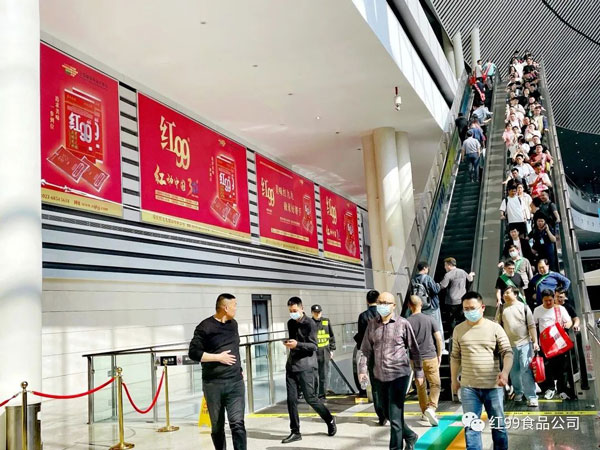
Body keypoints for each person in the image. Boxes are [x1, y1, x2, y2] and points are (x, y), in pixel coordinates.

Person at [359, 292, 424, 450]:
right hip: (379, 376)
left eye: (386, 303)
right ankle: (410, 435)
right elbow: (365, 350)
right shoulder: (372, 324)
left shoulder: (403, 324)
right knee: (386, 412)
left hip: (399, 376)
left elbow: (414, 350)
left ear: (394, 306)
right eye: (380, 302)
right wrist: (362, 370)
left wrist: (419, 372)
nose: (382, 305)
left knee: (395, 417)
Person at [451, 291, 513, 450]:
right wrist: (454, 380)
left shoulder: (495, 328)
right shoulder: (458, 330)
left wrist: (505, 372)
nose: (469, 311)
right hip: (468, 388)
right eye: (466, 309)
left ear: (482, 307)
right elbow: (455, 357)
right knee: (471, 428)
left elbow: (507, 352)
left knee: (498, 427)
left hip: (493, 386)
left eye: (472, 308)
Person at [188, 293, 247, 450]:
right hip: (213, 385)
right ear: (226, 308)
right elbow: (193, 353)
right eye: (234, 305)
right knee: (217, 426)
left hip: (235, 383)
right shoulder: (205, 327)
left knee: (238, 424)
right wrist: (218, 357)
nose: (236, 308)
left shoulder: (233, 324)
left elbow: (235, 349)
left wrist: (239, 369)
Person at [282, 297, 336, 444]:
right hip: (292, 366)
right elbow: (294, 341)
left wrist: (297, 344)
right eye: (290, 311)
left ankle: (329, 419)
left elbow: (313, 346)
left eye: (295, 310)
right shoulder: (290, 323)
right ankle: (295, 431)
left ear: (302, 308)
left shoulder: (310, 324)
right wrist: (290, 343)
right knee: (291, 400)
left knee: (311, 398)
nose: (292, 313)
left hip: (306, 366)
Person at [495, 286, 539, 407]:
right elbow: (497, 326)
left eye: (507, 293)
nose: (504, 295)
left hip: (525, 343)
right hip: (509, 346)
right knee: (513, 371)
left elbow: (531, 326)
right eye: (504, 293)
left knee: (526, 369)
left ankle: (531, 396)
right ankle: (519, 392)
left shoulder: (523, 307)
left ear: (515, 294)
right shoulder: (501, 308)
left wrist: (535, 342)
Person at [407, 295, 443, 427]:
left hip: (415, 360)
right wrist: (439, 354)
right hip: (430, 356)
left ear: (409, 306)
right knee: (435, 384)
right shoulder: (430, 319)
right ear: (421, 304)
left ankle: (424, 413)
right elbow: (438, 338)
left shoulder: (406, 322)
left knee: (420, 386)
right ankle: (431, 408)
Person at [533, 289, 573, 400]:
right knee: (547, 367)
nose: (548, 303)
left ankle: (562, 389)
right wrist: (535, 341)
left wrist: (567, 326)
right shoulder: (537, 310)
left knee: (562, 368)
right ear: (542, 300)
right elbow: (533, 326)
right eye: (546, 301)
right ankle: (550, 388)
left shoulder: (560, 309)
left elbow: (569, 321)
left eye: (550, 300)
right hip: (545, 344)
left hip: (559, 343)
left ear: (553, 298)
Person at [353, 289, 386, 424]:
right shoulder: (383, 314)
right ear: (378, 300)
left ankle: (381, 415)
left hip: (371, 355)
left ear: (367, 301)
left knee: (375, 386)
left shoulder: (363, 316)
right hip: (385, 354)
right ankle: (389, 411)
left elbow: (362, 337)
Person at [439, 257, 475, 330]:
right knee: (461, 318)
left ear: (449, 265)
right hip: (461, 300)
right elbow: (470, 279)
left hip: (451, 302)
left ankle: (452, 333)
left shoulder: (448, 275)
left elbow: (442, 286)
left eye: (445, 265)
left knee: (451, 319)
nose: (444, 267)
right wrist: (471, 274)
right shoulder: (462, 272)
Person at [411, 262, 443, 341]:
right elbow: (435, 290)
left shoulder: (414, 279)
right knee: (437, 327)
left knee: (426, 326)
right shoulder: (427, 278)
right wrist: (438, 285)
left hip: (422, 307)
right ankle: (441, 345)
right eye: (427, 268)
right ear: (424, 268)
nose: (428, 270)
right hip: (432, 306)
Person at [311, 304, 336, 399]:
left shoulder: (326, 321)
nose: (317, 314)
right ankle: (314, 393)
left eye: (319, 312)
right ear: (312, 313)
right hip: (314, 352)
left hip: (325, 351)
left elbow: (331, 336)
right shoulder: (309, 322)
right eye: (315, 312)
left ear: (321, 312)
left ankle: (322, 394)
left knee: (324, 374)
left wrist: (332, 349)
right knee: (314, 375)